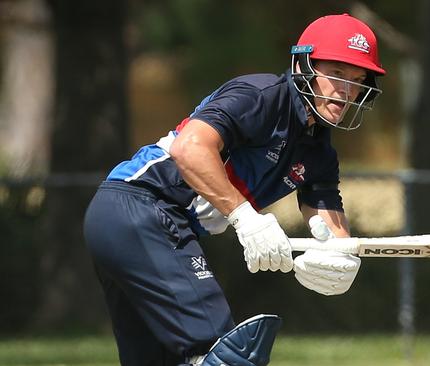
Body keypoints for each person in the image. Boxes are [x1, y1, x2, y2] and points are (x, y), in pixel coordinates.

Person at [83, 13, 386, 366]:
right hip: (142, 207)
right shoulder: (260, 95)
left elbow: (334, 232)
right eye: (336, 72)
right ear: (304, 65)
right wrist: (247, 219)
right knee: (228, 358)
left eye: (357, 79)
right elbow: (189, 149)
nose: (346, 91)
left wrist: (340, 260)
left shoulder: (320, 152)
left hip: (131, 219)